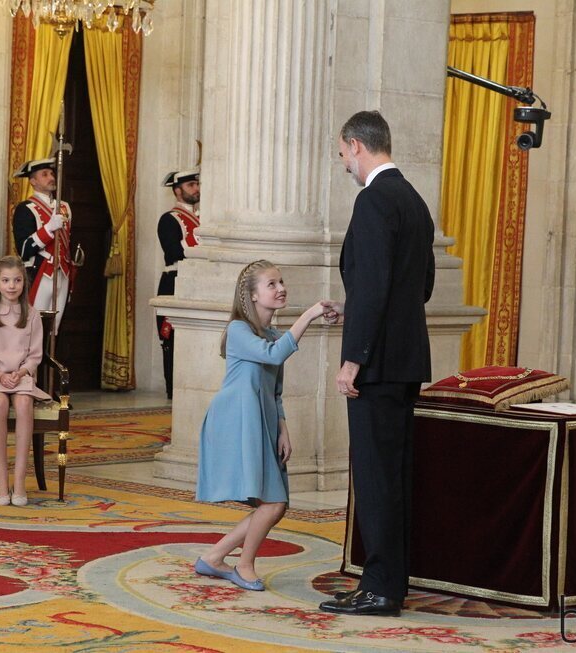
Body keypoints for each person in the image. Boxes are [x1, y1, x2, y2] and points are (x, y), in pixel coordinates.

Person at [318, 111, 436, 617]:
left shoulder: (372, 201)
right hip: (406, 359)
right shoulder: (413, 200)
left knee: (375, 477)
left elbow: (370, 286)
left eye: (343, 152)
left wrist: (353, 359)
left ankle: (381, 588)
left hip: (378, 365)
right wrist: (360, 312)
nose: (343, 161)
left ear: (355, 145)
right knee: (394, 476)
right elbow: (417, 287)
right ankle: (390, 581)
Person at [194, 260, 326, 591]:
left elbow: (275, 390)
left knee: (274, 504)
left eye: (281, 282)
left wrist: (283, 428)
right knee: (274, 502)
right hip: (237, 420)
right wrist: (309, 314)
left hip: (263, 419)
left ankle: (214, 557)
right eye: (271, 284)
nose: (280, 288)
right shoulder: (239, 330)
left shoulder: (272, 334)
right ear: (252, 295)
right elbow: (274, 355)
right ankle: (244, 565)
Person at [0, 256, 51, 507]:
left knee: (25, 404)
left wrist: (22, 372)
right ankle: (2, 482)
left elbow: (35, 355)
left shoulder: (33, 315)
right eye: (5, 280)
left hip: (21, 376)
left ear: (24, 283)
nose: (11, 285)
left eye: (17, 280)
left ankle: (20, 481)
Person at [12, 158, 74, 332]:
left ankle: (48, 359)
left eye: (52, 173)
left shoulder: (64, 207)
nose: (51, 177)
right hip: (40, 271)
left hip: (63, 273)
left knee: (54, 329)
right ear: (33, 181)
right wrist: (49, 229)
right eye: (44, 174)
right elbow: (24, 249)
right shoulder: (26, 208)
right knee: (33, 327)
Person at [156, 169, 201, 399]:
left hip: (200, 282)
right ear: (177, 190)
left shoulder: (203, 218)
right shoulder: (169, 219)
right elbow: (174, 252)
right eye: (191, 185)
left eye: (197, 184)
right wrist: (200, 234)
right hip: (175, 281)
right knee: (172, 340)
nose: (196, 189)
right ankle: (173, 390)